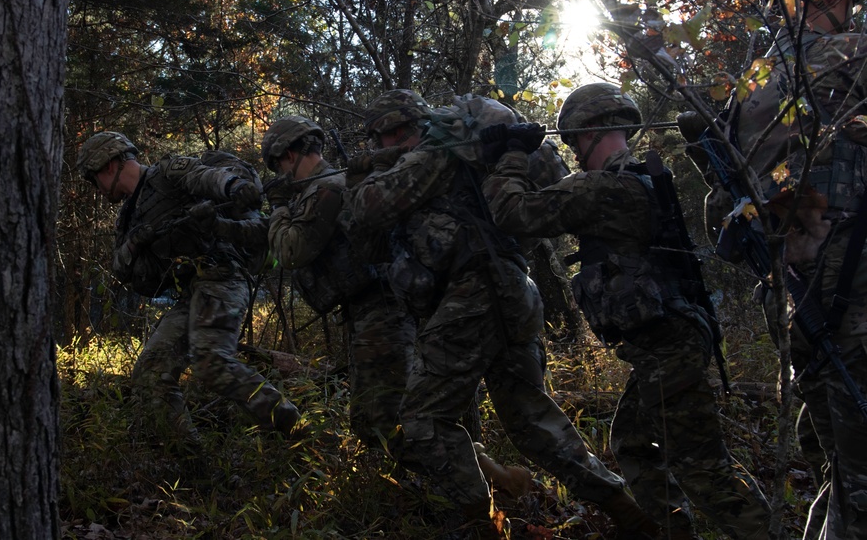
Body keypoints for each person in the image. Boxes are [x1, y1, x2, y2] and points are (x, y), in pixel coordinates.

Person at [346, 89, 657, 538]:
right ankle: (625, 508)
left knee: (423, 420)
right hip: (514, 291)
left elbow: (368, 209)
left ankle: (480, 524)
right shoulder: (472, 150)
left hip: (471, 296)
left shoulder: (428, 157)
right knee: (531, 419)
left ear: (396, 130)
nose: (383, 145)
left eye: (385, 137)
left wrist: (370, 170)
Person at [481, 83, 772, 540]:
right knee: (633, 444)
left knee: (705, 473)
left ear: (593, 130)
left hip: (667, 349)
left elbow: (514, 214)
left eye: (574, 139)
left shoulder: (599, 188)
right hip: (666, 345)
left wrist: (511, 156)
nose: (574, 151)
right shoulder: (643, 178)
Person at [683, 0, 867, 540]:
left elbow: (726, 224)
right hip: (852, 307)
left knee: (843, 473)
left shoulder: (749, 92)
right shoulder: (847, 56)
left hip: (797, 306)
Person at [76, 131, 301, 448]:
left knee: (211, 360)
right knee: (151, 373)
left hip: (222, 277)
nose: (96, 189)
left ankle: (290, 426)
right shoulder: (127, 218)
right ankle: (189, 461)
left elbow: (206, 177)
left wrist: (235, 188)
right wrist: (137, 241)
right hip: (191, 293)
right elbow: (121, 268)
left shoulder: (167, 173)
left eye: (93, 177)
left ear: (109, 166)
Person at [260, 115, 415, 445]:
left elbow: (290, 252)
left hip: (383, 313)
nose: (279, 175)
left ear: (287, 155)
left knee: (391, 423)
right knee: (368, 421)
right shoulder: (323, 187)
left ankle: (476, 483)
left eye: (277, 166)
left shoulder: (327, 188)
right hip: (368, 313)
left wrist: (278, 209)